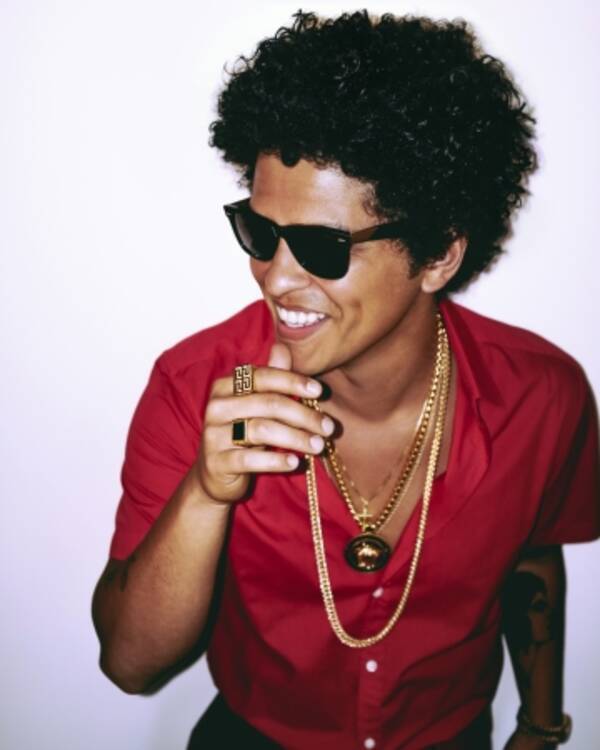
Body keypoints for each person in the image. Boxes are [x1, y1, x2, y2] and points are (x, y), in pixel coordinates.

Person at [91, 10, 600, 749]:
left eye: (322, 246)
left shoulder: (542, 397)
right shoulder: (194, 384)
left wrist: (541, 724)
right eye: (260, 233)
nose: (275, 277)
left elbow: (532, 558)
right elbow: (130, 664)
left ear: (438, 256)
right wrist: (206, 491)